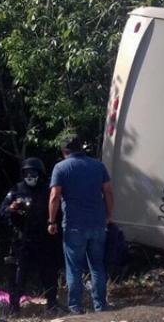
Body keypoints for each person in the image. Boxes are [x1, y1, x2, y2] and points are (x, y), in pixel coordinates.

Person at [47, 133, 114, 314]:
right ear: (81, 148)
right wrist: (109, 215)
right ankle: (101, 306)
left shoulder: (60, 168)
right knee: (97, 266)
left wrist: (51, 221)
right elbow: (108, 192)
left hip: (74, 225)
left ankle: (76, 308)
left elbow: (54, 197)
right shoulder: (98, 166)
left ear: (64, 151)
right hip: (98, 224)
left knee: (74, 267)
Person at [0, 157, 61, 315]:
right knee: (19, 275)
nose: (30, 176)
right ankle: (14, 308)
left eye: (33, 173)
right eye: (27, 172)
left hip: (44, 240)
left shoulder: (47, 191)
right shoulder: (16, 189)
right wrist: (12, 208)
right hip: (22, 240)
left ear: (40, 174)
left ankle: (52, 304)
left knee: (48, 273)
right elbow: (2, 210)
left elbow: (58, 212)